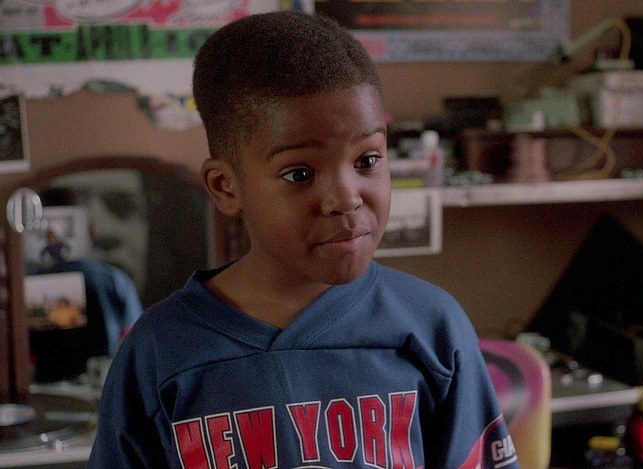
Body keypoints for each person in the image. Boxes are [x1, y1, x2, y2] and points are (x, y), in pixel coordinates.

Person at [88, 11, 518, 469]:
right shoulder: (160, 352)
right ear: (225, 187)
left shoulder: (432, 328)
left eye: (368, 161)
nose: (346, 198)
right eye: (299, 173)